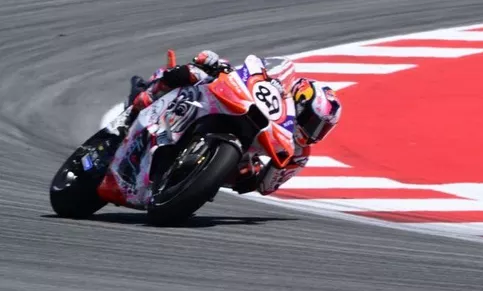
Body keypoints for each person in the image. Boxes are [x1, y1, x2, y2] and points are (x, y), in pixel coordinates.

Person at [125, 50, 341, 198]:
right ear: (300, 102)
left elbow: (266, 187)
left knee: (245, 177)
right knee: (197, 70)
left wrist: (253, 174)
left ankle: (187, 182)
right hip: (237, 103)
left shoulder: (298, 152)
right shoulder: (282, 80)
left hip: (243, 152)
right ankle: (146, 96)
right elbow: (256, 69)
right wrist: (220, 67)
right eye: (313, 122)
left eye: (322, 128)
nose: (314, 131)